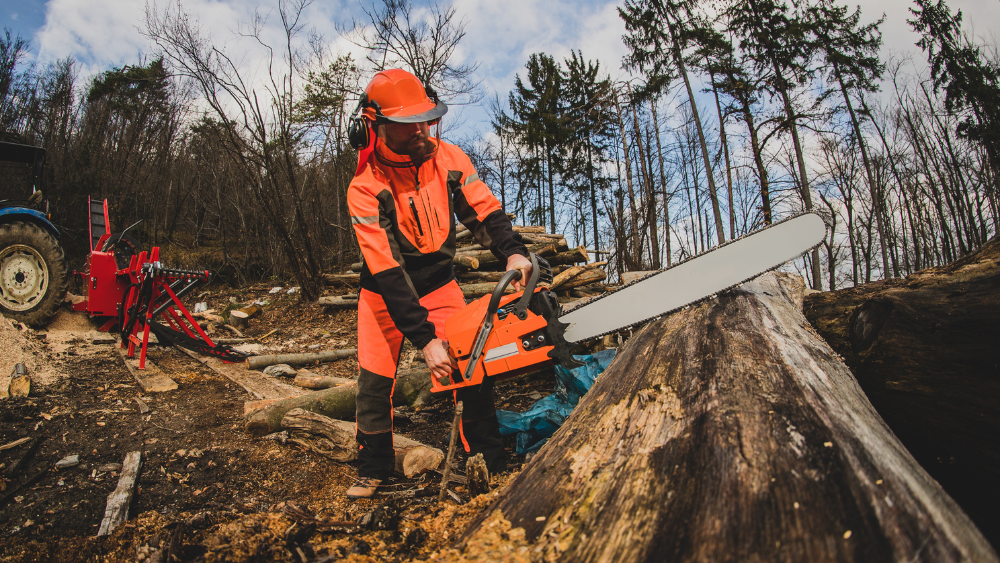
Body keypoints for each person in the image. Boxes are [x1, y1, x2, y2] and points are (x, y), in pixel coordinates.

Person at [344, 69, 532, 499]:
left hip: (439, 282)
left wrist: (514, 252)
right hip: (383, 293)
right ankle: (373, 468)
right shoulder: (365, 187)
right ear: (374, 127)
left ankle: (487, 458)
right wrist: (425, 339)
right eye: (406, 123)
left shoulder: (448, 158)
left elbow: (483, 210)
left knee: (470, 365)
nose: (419, 130)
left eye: (423, 119)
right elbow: (387, 269)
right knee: (375, 383)